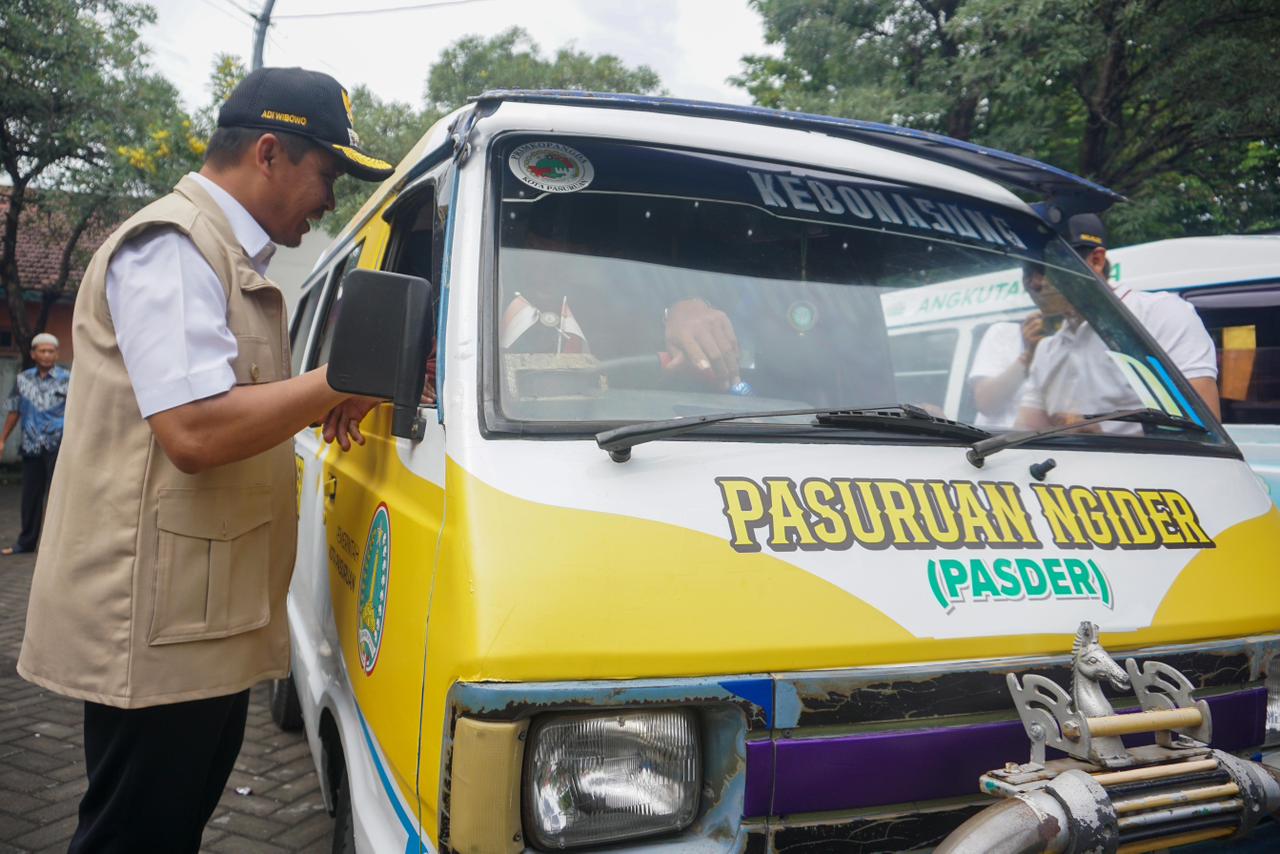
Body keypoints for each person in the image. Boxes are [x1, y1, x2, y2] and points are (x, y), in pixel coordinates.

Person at [16, 67, 395, 853]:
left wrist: (319, 398)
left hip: (190, 616)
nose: (330, 201)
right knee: (136, 835)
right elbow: (193, 430)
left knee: (165, 827)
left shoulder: (219, 254)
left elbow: (219, 404)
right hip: (152, 623)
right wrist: (337, 380)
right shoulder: (176, 247)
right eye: (327, 175)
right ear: (268, 153)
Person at [1017, 213, 1220, 430]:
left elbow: (1202, 430)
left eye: (1047, 267)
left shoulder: (1159, 314)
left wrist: (1101, 437)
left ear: (1096, 260)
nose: (1036, 282)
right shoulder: (1048, 348)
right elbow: (1024, 429)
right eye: (1028, 271)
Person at [0, 333, 70, 555]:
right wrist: (2, 439)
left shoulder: (68, 379)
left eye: (51, 351)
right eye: (43, 350)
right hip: (31, 445)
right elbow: (15, 410)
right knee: (30, 496)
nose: (47, 355)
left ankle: (61, 545)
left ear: (57, 354)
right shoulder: (22, 380)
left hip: (58, 446)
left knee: (60, 495)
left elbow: (77, 412)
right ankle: (26, 543)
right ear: (33, 354)